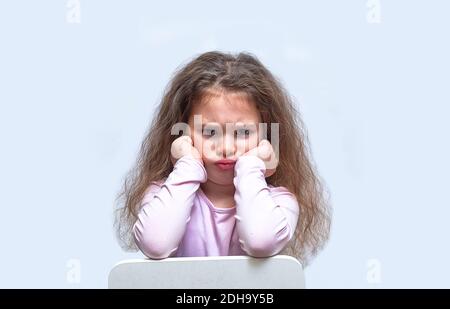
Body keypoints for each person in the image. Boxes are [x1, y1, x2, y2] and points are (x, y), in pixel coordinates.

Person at [115, 51, 331, 265]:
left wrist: (250, 167)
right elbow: (155, 244)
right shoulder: (163, 195)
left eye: (244, 133)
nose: (226, 148)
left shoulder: (278, 202)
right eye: (209, 132)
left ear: (266, 136)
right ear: (182, 134)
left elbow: (260, 242)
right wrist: (187, 164)